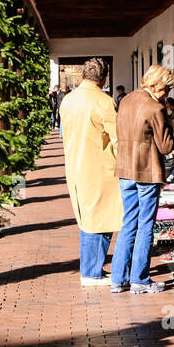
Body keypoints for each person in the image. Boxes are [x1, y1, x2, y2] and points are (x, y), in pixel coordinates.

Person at [112, 64, 174, 294]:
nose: (167, 94)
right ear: (160, 86)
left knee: (128, 222)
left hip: (125, 168)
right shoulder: (155, 108)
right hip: (146, 171)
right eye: (167, 89)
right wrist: (169, 122)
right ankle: (140, 279)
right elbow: (166, 145)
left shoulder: (126, 100)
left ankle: (118, 278)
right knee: (145, 225)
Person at [59, 58, 121, 286]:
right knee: (101, 221)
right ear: (104, 78)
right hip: (100, 168)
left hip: (75, 165)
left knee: (86, 219)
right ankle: (92, 271)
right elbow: (118, 140)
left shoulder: (68, 100)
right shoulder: (104, 102)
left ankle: (91, 269)